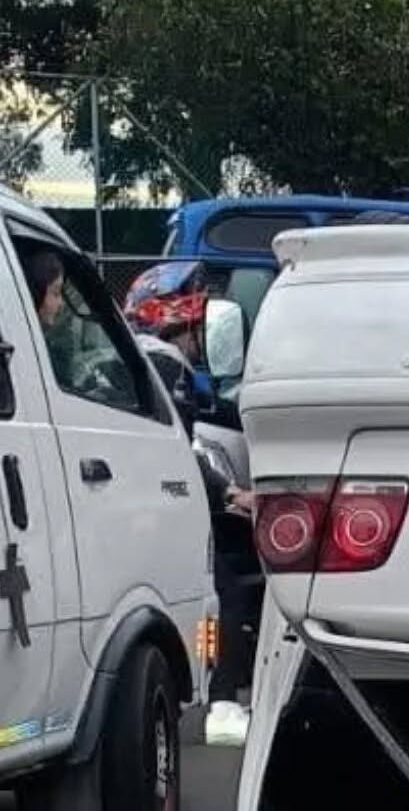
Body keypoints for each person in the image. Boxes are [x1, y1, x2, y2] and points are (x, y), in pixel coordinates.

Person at [126, 262, 257, 748]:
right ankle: (222, 705)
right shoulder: (166, 364)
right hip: (160, 511)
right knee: (224, 596)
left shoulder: (127, 361)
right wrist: (230, 494)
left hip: (128, 515)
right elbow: (175, 454)